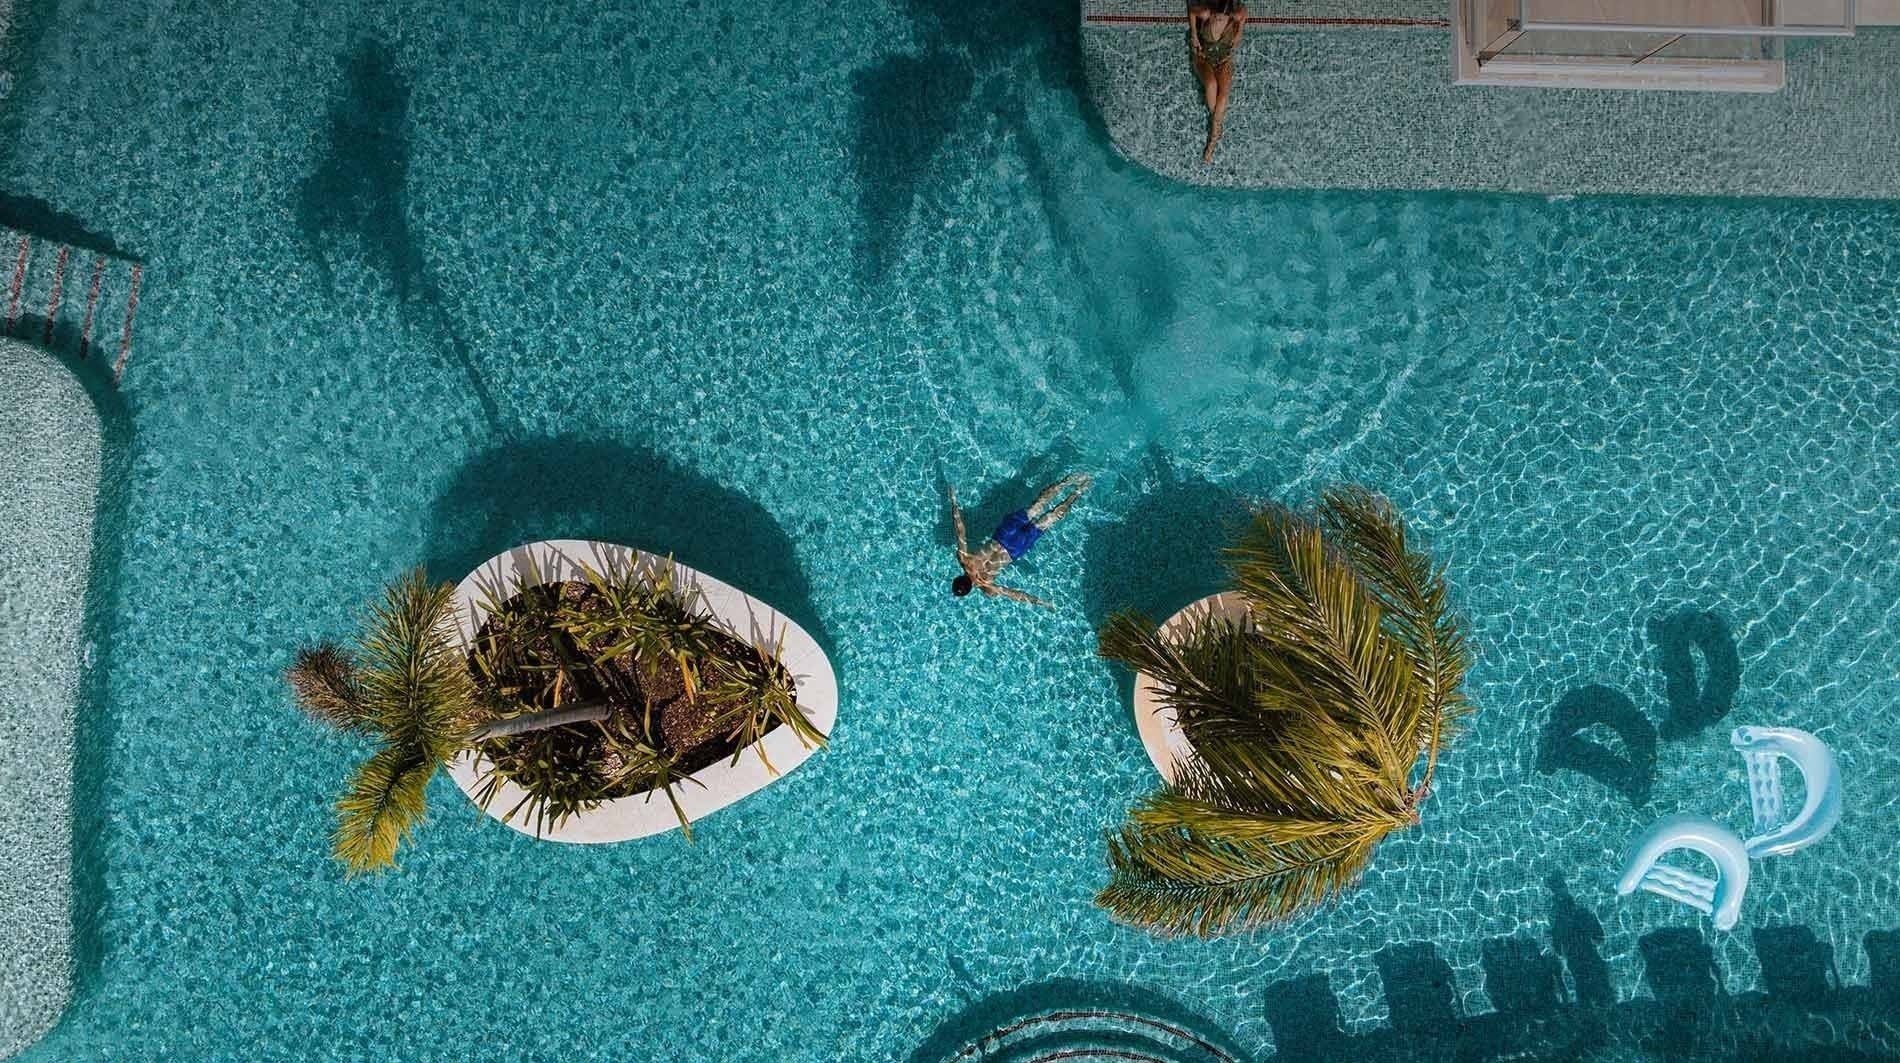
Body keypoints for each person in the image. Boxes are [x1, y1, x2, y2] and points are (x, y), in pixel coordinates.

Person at [947, 473, 1092, 607]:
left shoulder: (987, 586)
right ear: (957, 577)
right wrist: (953, 502)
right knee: (1037, 506)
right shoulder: (964, 559)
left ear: (970, 589)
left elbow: (1014, 594)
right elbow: (960, 530)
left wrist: (1042, 602)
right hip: (1003, 534)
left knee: (1050, 518)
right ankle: (1065, 482)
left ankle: (1079, 491)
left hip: (1015, 548)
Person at [1188, 0, 1245, 164]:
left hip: (1223, 61)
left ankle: (1212, 140)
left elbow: (1244, 13)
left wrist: (1239, 32)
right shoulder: (1206, 13)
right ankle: (1216, 129)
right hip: (1203, 59)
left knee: (1224, 95)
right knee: (1211, 85)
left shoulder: (1235, 16)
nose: (1219, 20)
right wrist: (1194, 34)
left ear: (1229, 15)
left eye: (1223, 18)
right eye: (1217, 17)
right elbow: (1192, 11)